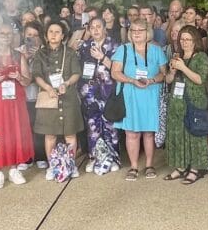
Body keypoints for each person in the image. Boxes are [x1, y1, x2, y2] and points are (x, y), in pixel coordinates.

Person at [0, 25, 35, 189]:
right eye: (1, 33)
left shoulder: (18, 55)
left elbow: (27, 81)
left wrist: (18, 76)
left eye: (8, 34)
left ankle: (14, 169)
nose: (5, 36)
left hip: (14, 103)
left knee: (15, 132)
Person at [112, 20, 168, 180]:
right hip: (130, 95)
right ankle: (134, 166)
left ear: (147, 32)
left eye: (140, 30)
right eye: (133, 30)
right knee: (132, 133)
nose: (136, 33)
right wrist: (131, 80)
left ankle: (149, 165)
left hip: (150, 94)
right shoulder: (123, 50)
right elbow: (115, 72)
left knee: (149, 133)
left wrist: (150, 80)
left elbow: (164, 74)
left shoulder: (157, 50)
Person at [31, 22, 84, 180]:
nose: (54, 35)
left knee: (70, 134)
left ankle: (71, 164)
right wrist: (47, 87)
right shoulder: (40, 54)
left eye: (57, 32)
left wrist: (66, 83)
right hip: (49, 97)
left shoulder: (70, 53)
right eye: (51, 32)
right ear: (46, 35)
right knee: (50, 135)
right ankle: (52, 166)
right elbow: (37, 75)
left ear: (63, 36)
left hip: (68, 97)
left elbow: (76, 73)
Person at [163, 25, 208, 184]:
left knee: (195, 135)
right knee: (178, 135)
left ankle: (195, 169)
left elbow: (200, 79)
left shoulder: (201, 57)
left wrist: (183, 67)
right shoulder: (178, 56)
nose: (184, 42)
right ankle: (181, 166)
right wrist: (172, 71)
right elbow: (169, 81)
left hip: (194, 102)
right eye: (182, 39)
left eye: (188, 39)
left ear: (195, 40)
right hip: (177, 103)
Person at [77, 17, 120, 174]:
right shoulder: (84, 47)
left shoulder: (115, 46)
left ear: (104, 29)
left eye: (98, 27)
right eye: (92, 27)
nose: (95, 30)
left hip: (108, 92)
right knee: (93, 127)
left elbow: (117, 69)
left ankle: (113, 157)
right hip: (90, 93)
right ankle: (94, 158)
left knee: (110, 127)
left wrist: (102, 57)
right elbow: (80, 71)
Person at [18, 21, 48, 172]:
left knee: (40, 128)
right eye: (29, 35)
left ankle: (41, 156)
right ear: (24, 35)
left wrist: (38, 56)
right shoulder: (17, 51)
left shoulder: (46, 51)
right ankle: (26, 157)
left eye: (35, 35)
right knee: (25, 128)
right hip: (23, 96)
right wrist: (24, 58)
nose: (32, 38)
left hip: (40, 95)